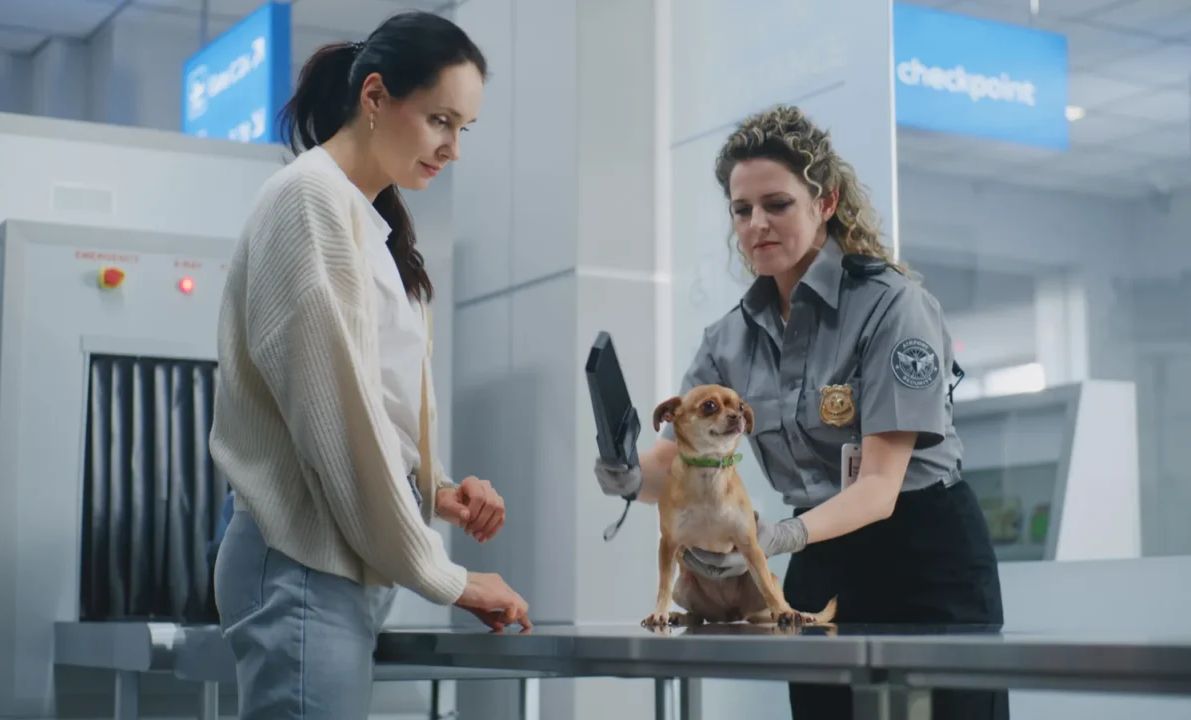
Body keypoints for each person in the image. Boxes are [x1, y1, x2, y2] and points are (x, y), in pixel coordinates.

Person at [596, 104, 1007, 720]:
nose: (756, 223)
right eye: (741, 210)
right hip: (819, 558)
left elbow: (878, 488)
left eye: (777, 204)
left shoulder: (893, 306)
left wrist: (776, 536)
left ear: (827, 202)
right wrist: (630, 476)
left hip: (924, 556)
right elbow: (681, 458)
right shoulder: (728, 338)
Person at [209, 12, 531, 719]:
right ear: (377, 97)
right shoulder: (309, 200)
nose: (452, 149)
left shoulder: (364, 219)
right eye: (440, 120)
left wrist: (434, 489)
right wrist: (449, 580)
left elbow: (366, 408)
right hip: (298, 561)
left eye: (463, 129)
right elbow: (335, 422)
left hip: (327, 562)